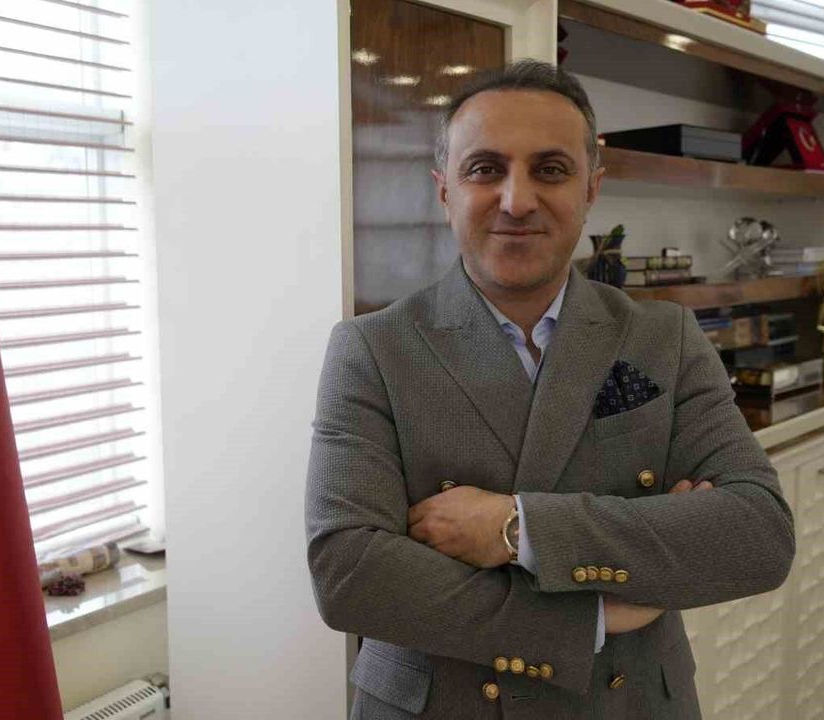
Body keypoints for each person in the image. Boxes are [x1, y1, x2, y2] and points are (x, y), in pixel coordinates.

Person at [305, 60, 795, 719]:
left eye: (551, 169)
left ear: (592, 188)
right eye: (485, 169)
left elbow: (758, 534)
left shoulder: (665, 338)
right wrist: (591, 615)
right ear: (444, 191)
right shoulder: (372, 349)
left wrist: (518, 528)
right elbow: (349, 573)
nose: (517, 201)